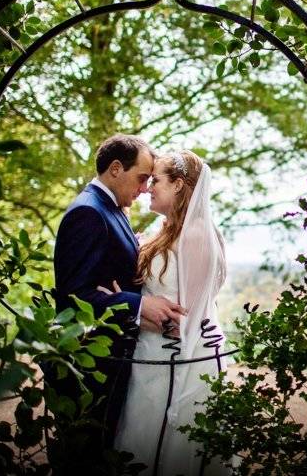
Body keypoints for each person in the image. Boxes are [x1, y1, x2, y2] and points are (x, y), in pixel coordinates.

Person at [49, 134, 188, 466]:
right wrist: (139, 305)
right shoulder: (88, 212)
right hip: (90, 367)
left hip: (113, 360)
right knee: (82, 460)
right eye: (141, 178)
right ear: (115, 169)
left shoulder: (110, 207)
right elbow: (74, 296)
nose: (144, 188)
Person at [106, 150, 231, 475]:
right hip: (150, 356)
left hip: (178, 362)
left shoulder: (197, 234)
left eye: (156, 180)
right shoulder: (165, 228)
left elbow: (185, 323)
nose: (148, 187)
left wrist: (130, 307)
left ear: (178, 185)